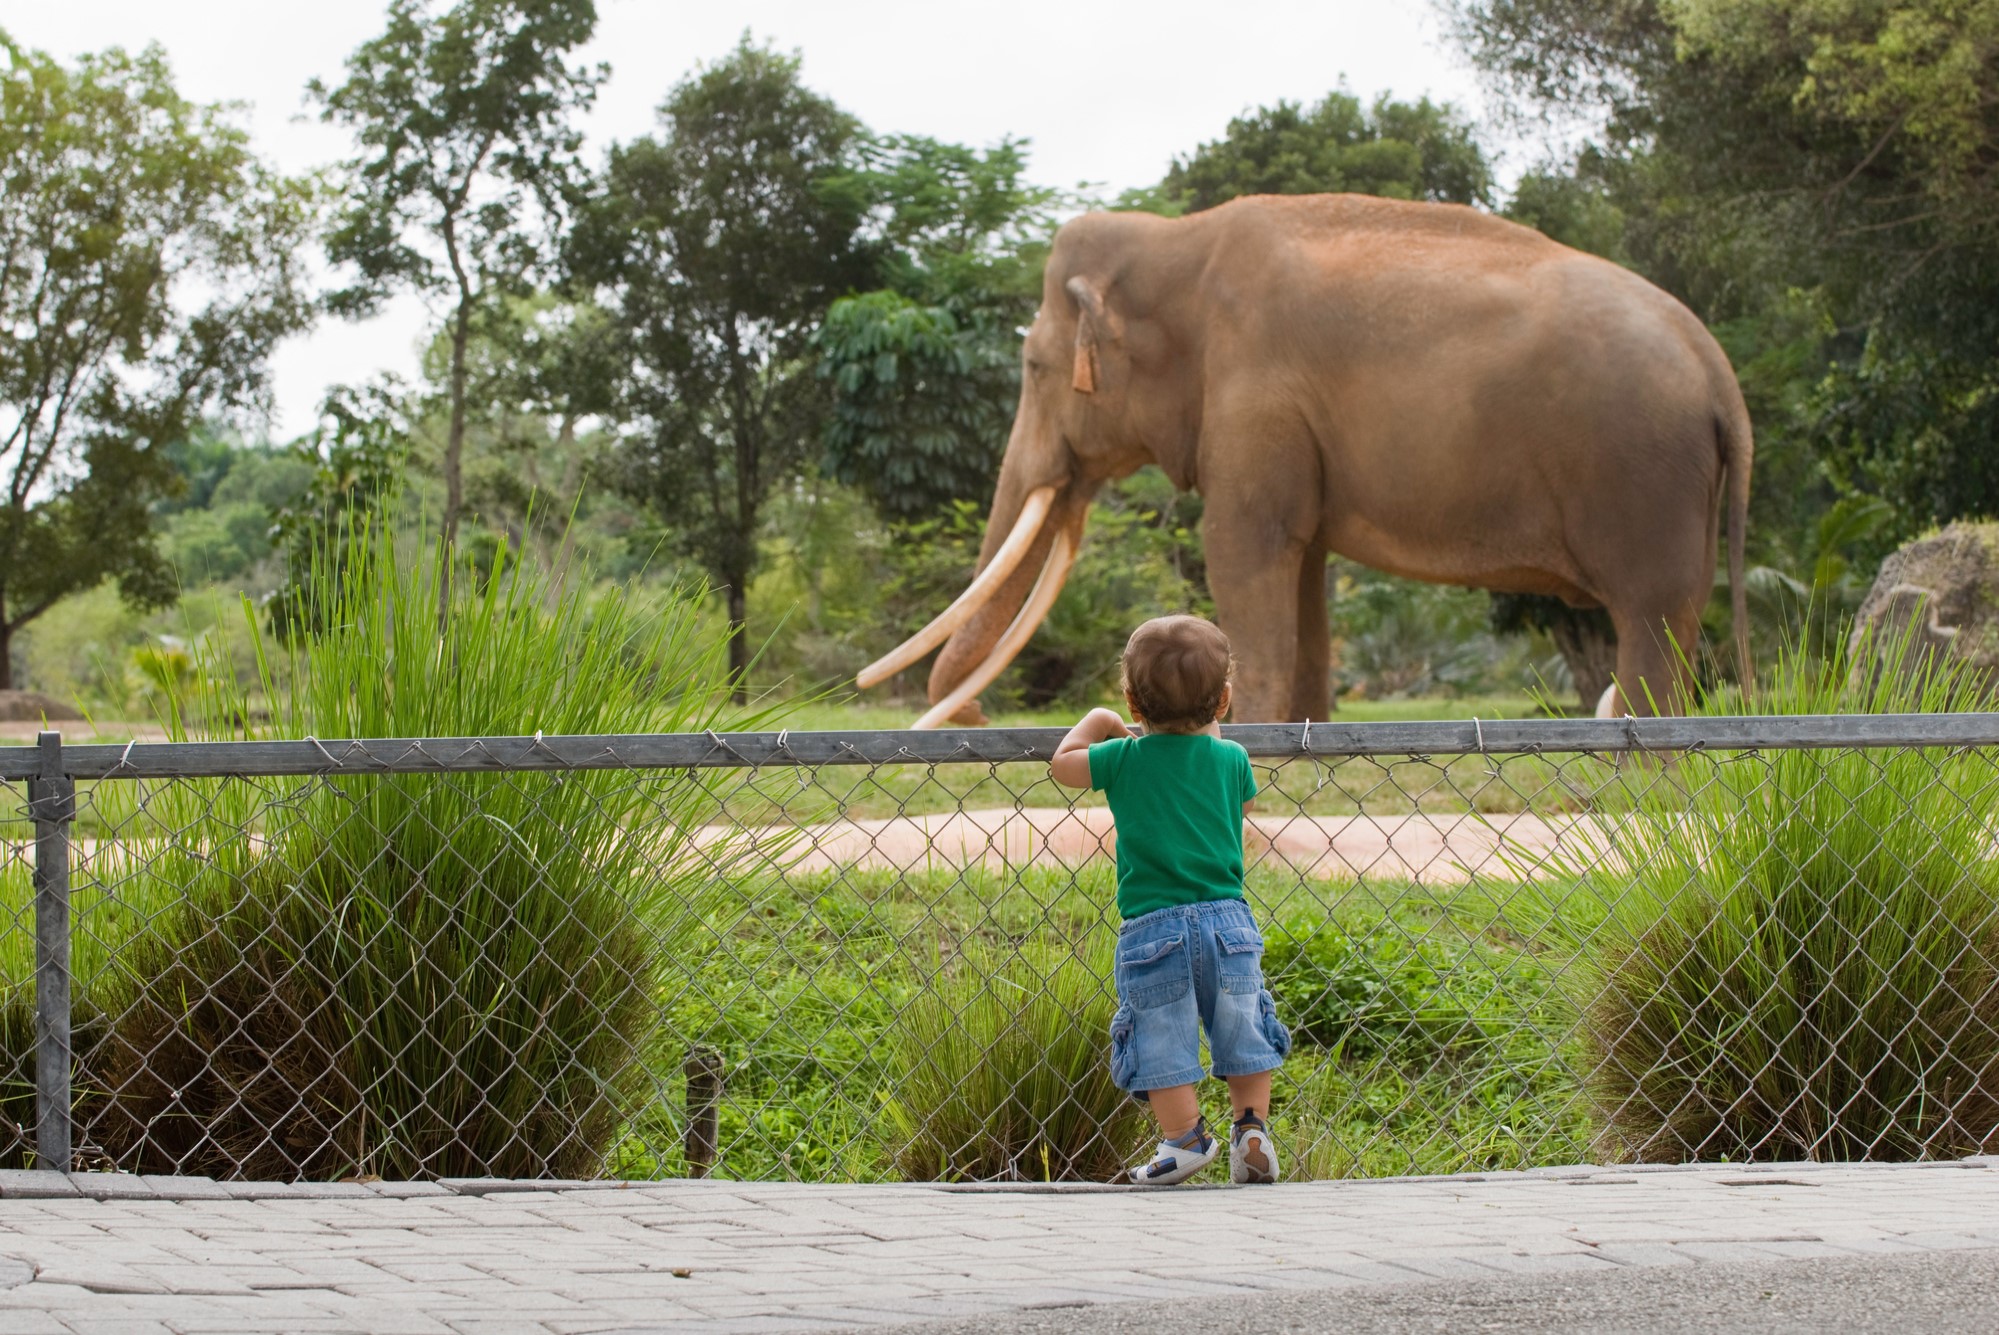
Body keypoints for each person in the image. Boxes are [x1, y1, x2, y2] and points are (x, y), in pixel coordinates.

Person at [1051, 614, 1291, 1185]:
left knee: (1160, 1030)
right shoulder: (1230, 759)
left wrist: (1100, 720)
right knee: (1241, 1025)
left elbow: (1063, 765)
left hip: (1154, 926)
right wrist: (1205, 735)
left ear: (1133, 703)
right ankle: (1251, 1128)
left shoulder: (1124, 759)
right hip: (1227, 920)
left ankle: (1185, 1139)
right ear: (1224, 701)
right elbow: (1243, 807)